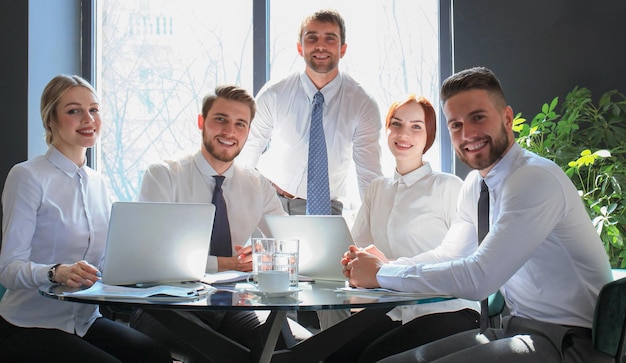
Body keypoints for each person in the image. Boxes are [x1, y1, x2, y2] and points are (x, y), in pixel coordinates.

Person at [342, 66, 613, 362]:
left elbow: (480, 277)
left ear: (507, 118)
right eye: (455, 125)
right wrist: (388, 264)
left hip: (570, 342)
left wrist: (382, 274)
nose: (467, 133)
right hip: (518, 329)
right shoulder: (477, 184)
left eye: (478, 117)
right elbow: (449, 254)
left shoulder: (533, 179)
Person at [129, 85, 311, 362]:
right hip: (168, 305)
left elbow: (285, 244)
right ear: (201, 122)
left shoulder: (256, 184)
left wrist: (267, 256)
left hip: (231, 304)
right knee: (220, 355)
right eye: (221, 119)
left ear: (248, 132)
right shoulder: (164, 175)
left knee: (298, 348)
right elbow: (153, 257)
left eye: (240, 124)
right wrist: (226, 263)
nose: (229, 131)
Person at [0, 75, 172, 362]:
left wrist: (159, 270)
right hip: (28, 324)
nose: (88, 119)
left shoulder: (99, 183)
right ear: (50, 120)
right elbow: (8, 269)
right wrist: (56, 272)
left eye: (94, 109)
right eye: (73, 111)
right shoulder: (28, 176)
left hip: (84, 321)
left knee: (153, 355)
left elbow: (105, 263)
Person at [326, 95, 479, 363]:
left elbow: (464, 259)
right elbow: (356, 248)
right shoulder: (377, 189)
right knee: (333, 355)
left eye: (416, 126)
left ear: (429, 136)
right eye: (396, 124)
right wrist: (353, 265)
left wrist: (387, 267)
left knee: (372, 358)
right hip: (396, 310)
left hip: (448, 308)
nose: (403, 133)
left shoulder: (447, 187)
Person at [238, 8, 383, 216]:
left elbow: (369, 175)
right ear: (300, 48)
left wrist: (373, 225)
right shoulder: (274, 94)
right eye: (312, 38)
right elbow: (246, 156)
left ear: (343, 49)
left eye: (330, 38)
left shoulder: (362, 104)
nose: (321, 46)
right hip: (270, 200)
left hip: (326, 208)